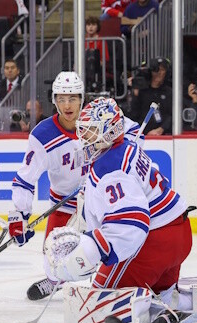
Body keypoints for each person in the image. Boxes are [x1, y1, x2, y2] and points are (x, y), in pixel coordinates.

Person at [42, 97, 194, 323]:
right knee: (162, 290)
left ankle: (151, 312)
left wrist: (94, 248)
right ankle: (174, 301)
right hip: (179, 236)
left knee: (95, 303)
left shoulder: (109, 166)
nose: (84, 135)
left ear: (109, 130)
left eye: (91, 129)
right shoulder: (127, 148)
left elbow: (131, 221)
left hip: (152, 244)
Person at [8, 72, 144, 301]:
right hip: (64, 204)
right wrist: (19, 215)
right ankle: (54, 281)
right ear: (54, 100)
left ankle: (110, 279)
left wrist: (126, 142)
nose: (67, 105)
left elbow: (132, 129)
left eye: (72, 98)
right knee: (52, 256)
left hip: (98, 202)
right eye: (61, 99)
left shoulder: (96, 117)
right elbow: (25, 179)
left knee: (110, 244)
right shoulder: (42, 135)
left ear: (82, 98)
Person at [130, 56, 172, 135]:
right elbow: (134, 115)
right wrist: (135, 94)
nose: (159, 72)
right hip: (143, 135)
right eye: (156, 69)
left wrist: (161, 129)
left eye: (162, 70)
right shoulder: (142, 91)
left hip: (165, 135)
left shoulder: (169, 92)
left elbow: (172, 115)